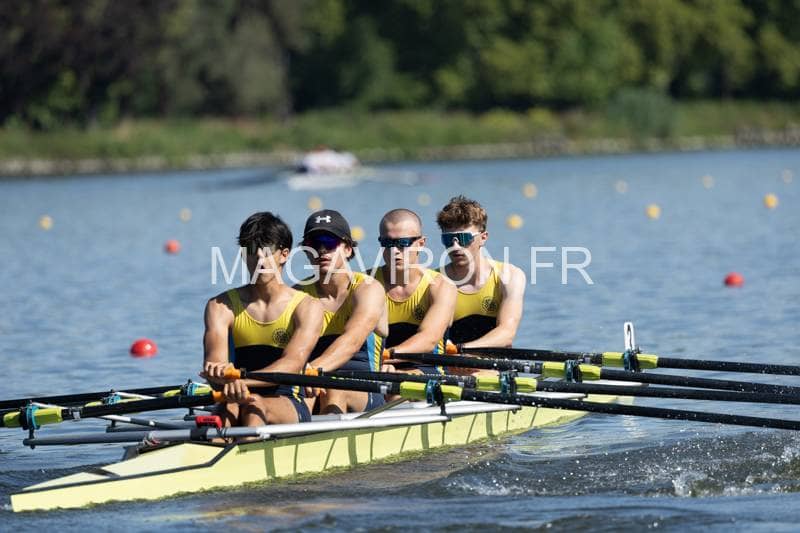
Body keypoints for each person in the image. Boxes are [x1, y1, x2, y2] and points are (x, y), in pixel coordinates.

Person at [202, 212, 324, 427]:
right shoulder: (220, 306)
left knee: (254, 405)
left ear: (284, 255)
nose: (259, 257)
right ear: (243, 255)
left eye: (267, 250)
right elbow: (215, 362)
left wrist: (241, 381)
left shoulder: (307, 307)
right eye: (251, 250)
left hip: (288, 399)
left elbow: (292, 363)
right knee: (224, 412)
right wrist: (219, 376)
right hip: (235, 395)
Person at [295, 209, 388, 413]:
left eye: (329, 242)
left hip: (365, 388)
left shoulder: (368, 289)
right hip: (313, 382)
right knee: (295, 395)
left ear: (347, 249)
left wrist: (312, 370)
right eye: (314, 244)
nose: (322, 250)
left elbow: (352, 341)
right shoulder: (298, 295)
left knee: (332, 391)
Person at [372, 208, 456, 374]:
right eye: (387, 243)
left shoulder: (441, 286)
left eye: (403, 243)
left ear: (421, 244)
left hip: (426, 370)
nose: (394, 251)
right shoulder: (366, 284)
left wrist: (385, 358)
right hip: (378, 368)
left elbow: (429, 339)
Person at [436, 196, 525, 351]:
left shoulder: (510, 276)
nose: (455, 246)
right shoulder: (434, 281)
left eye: (463, 238)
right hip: (449, 362)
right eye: (448, 239)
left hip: (491, 363)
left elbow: (506, 333)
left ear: (483, 238)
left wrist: (461, 350)